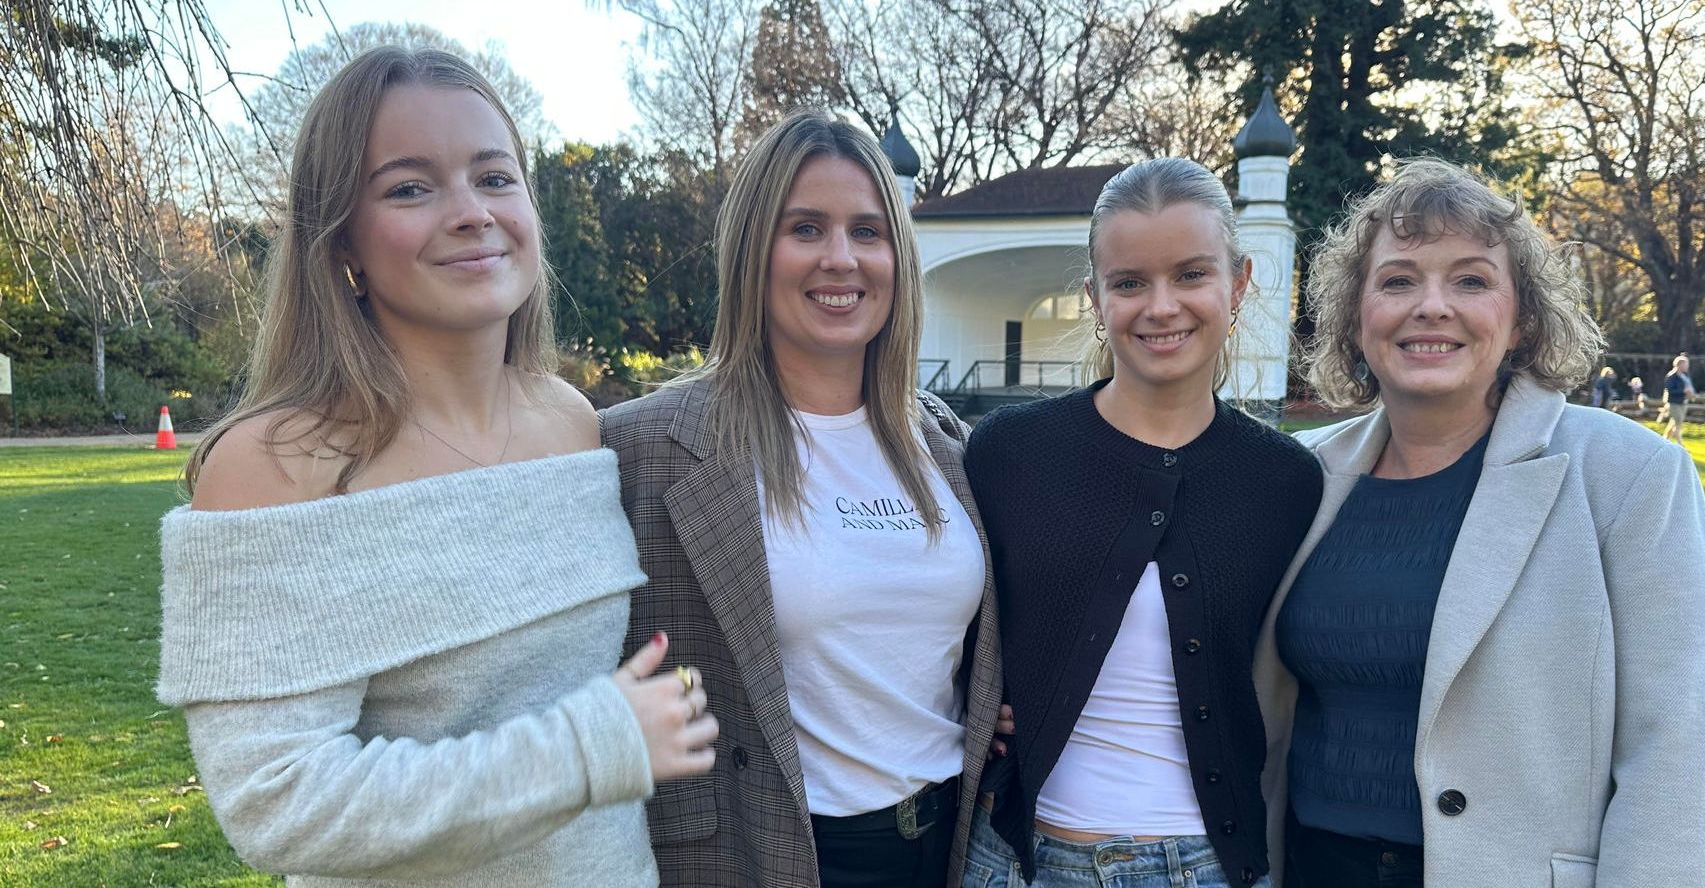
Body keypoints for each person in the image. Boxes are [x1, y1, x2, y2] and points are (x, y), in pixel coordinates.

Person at [161, 48, 717, 887]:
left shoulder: (570, 423)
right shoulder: (271, 464)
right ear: (341, 235)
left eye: (495, 177)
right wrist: (590, 747)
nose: (471, 213)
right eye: (410, 188)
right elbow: (279, 801)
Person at [1260, 157, 1705, 886]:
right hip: (1310, 865)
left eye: (1471, 279)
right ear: (1357, 318)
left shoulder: (1628, 476)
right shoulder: (1297, 473)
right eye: (1398, 280)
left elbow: (1675, 748)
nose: (1432, 305)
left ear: (1521, 321)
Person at [599, 110, 999, 888]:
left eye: (868, 231)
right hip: (772, 851)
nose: (841, 259)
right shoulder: (641, 446)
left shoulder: (945, 441)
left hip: (950, 843)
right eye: (806, 228)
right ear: (755, 249)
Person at [961, 158, 1323, 888]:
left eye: (1192, 274)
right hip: (1018, 857)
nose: (1162, 306)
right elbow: (948, 617)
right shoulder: (1008, 452)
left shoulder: (1286, 480)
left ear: (1241, 282)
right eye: (1130, 283)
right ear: (1095, 297)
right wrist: (982, 695)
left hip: (1202, 863)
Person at [1664, 355, 1696, 443]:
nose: (1687, 367)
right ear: (1679, 365)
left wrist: (1691, 394)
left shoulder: (1685, 376)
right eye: (1686, 364)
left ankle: (1665, 439)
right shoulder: (1671, 376)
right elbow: (1669, 390)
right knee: (1678, 423)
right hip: (1674, 403)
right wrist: (1683, 391)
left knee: (1675, 422)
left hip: (1683, 402)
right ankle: (1680, 444)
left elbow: (1689, 387)